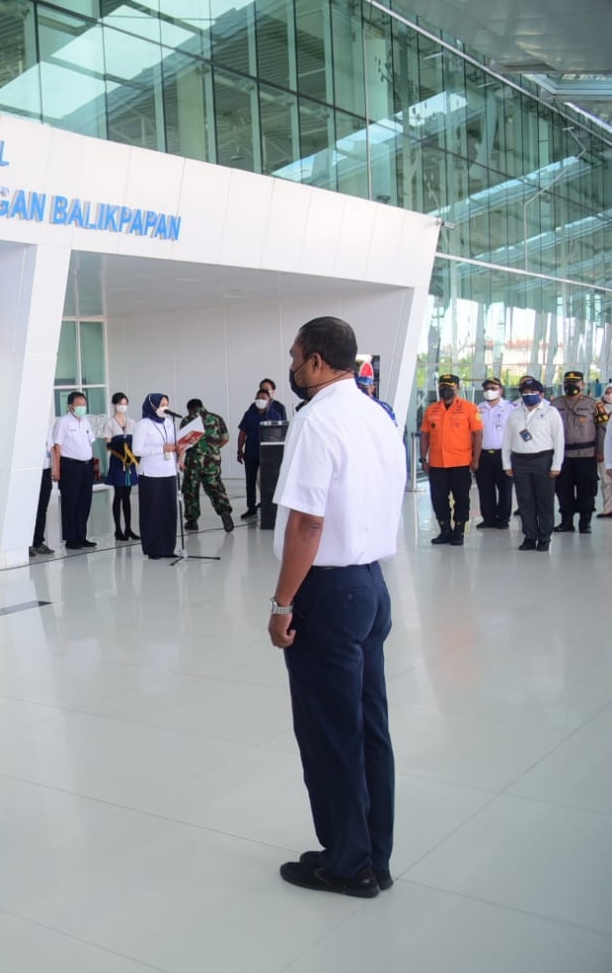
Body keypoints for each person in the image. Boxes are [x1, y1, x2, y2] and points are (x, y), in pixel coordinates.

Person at [267, 316, 405, 899]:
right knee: (370, 726)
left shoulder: (317, 420)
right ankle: (373, 852)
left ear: (318, 361)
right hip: (372, 587)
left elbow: (307, 521)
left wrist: (282, 603)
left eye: (295, 358)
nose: (292, 369)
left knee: (329, 733)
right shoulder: (377, 415)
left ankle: (347, 865)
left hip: (328, 592)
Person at [419, 374, 483, 546]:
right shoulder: (431, 410)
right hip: (437, 463)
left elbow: (478, 434)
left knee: (461, 498)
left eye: (449, 386)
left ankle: (459, 531)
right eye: (442, 386)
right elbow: (424, 435)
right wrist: (423, 458)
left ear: (457, 388)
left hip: (461, 462)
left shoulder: (469, 408)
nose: (445, 389)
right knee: (438, 498)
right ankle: (445, 529)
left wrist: (475, 459)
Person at [504, 378, 564, 552]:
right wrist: (506, 463)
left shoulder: (551, 412)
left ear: (541, 394)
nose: (528, 396)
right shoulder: (515, 413)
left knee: (544, 501)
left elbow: (559, 440)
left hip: (543, 460)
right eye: (525, 393)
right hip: (520, 460)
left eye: (532, 393)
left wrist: (556, 465)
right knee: (525, 502)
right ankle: (530, 536)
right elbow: (507, 440)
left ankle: (544, 537)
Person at [551, 370, 605, 534]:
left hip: (586, 455)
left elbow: (602, 429)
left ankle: (585, 522)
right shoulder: (555, 404)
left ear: (582, 385)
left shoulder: (594, 404)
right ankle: (566, 521)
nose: (571, 386)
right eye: (567, 383)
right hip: (563, 456)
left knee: (586, 490)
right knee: (563, 490)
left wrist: (601, 451)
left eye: (575, 383)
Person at [132, 393, 179, 560]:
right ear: (152, 406)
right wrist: (161, 449)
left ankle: (167, 547)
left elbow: (173, 445)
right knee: (152, 511)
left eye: (167, 404)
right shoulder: (143, 424)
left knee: (169, 511)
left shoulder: (169, 422)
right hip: (150, 473)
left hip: (169, 471)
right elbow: (137, 450)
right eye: (161, 404)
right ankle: (152, 548)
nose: (164, 407)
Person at [51, 391, 99, 551]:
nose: (82, 407)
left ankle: (81, 536)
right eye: (79, 404)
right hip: (70, 466)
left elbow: (90, 442)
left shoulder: (85, 421)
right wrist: (56, 470)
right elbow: (57, 447)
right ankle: (71, 538)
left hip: (86, 466)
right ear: (70, 405)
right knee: (70, 503)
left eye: (84, 404)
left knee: (84, 502)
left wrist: (94, 462)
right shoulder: (63, 422)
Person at [181, 398, 236, 533]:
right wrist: (213, 449)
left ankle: (192, 521)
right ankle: (224, 512)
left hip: (193, 462)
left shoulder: (187, 420)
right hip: (212, 461)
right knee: (216, 487)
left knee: (191, 490)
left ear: (189, 409)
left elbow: (183, 443)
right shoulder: (217, 419)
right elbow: (225, 438)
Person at [238, 386, 286, 518]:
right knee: (250, 482)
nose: (260, 400)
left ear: (269, 400)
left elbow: (280, 436)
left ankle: (269, 508)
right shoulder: (249, 414)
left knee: (268, 482)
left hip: (268, 455)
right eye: (258, 398)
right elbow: (242, 433)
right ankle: (251, 508)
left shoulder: (275, 415)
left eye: (263, 398)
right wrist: (239, 450)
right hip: (251, 453)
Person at [474, 377, 515, 529]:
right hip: (484, 454)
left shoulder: (510, 408)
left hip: (503, 454)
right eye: (486, 388)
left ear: (501, 390)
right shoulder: (478, 408)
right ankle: (488, 518)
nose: (489, 391)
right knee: (485, 488)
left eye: (493, 388)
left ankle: (503, 519)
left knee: (505, 488)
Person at [102, 392, 139, 542]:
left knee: (127, 496)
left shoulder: (132, 422)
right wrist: (120, 452)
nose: (122, 406)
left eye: (124, 403)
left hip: (130, 461)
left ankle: (128, 528)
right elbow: (108, 445)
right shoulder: (110, 424)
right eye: (119, 403)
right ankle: (118, 529)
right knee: (118, 494)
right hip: (118, 461)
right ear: (114, 405)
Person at [30, 412, 58, 557]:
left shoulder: (46, 427)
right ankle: (27, 543)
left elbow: (51, 449)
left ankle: (38, 542)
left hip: (45, 471)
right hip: (30, 473)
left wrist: (54, 469)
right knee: (29, 509)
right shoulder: (26, 427)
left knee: (42, 508)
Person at [601, 385, 612, 520]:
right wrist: (609, 463)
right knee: (607, 484)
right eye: (607, 393)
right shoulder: (599, 408)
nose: (610, 395)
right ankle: (608, 509)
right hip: (606, 456)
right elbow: (608, 440)